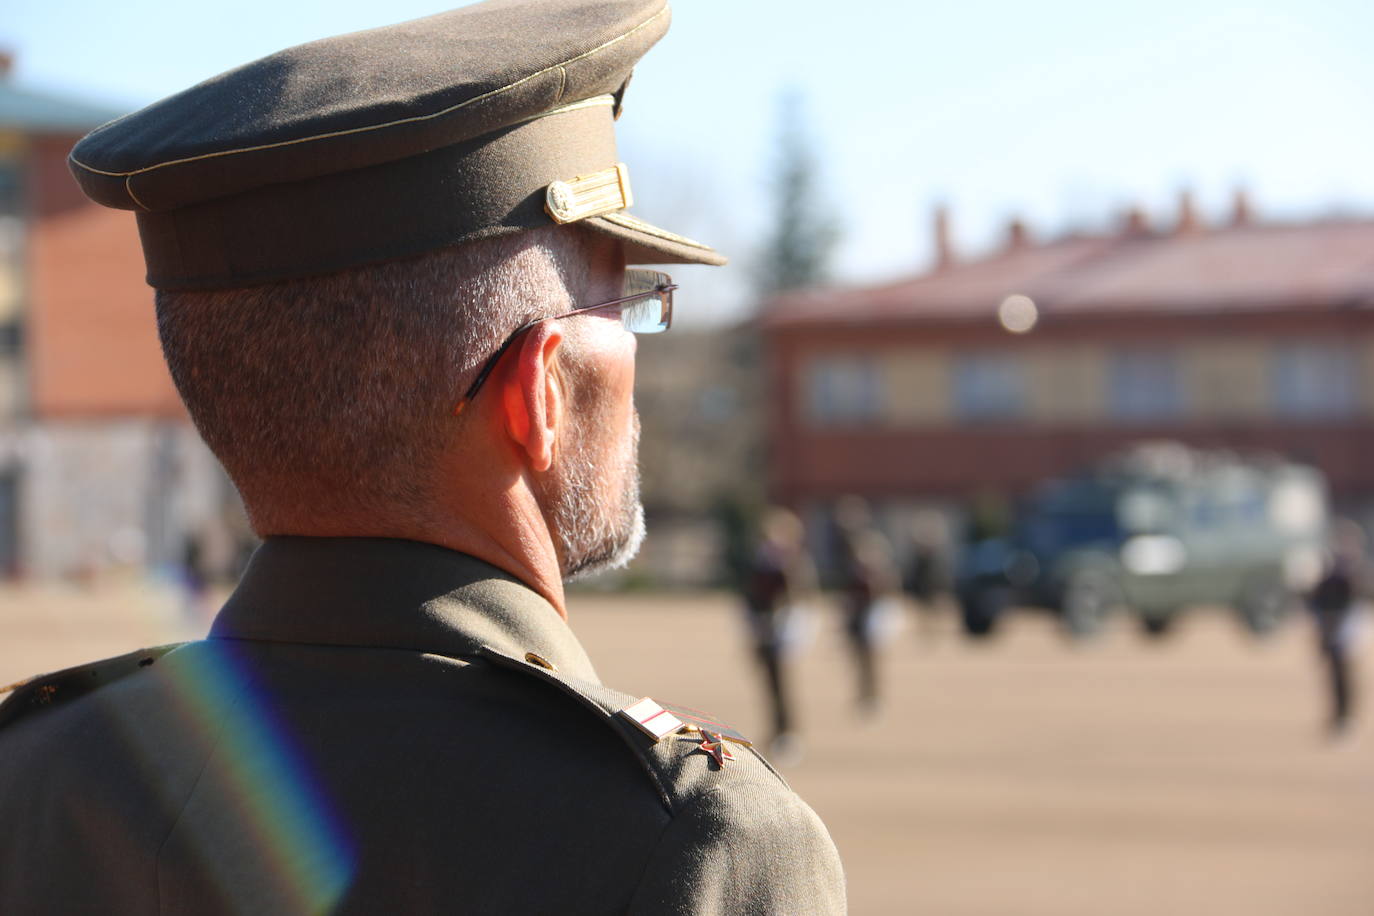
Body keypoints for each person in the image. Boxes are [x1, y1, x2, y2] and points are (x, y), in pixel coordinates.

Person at [0, 2, 846, 913]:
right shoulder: (687, 841)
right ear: (541, 393)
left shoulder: (35, 774)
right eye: (627, 307)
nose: (642, 357)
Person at [741, 506, 816, 762]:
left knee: (783, 684)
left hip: (783, 629)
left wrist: (785, 622)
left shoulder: (791, 563)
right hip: (762, 629)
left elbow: (798, 596)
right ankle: (774, 731)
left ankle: (788, 732)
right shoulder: (760, 561)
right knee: (768, 683)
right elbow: (750, 595)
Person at [832, 495, 899, 716]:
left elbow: (885, 577)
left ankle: (874, 695)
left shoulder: (872, 543)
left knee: (872, 654)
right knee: (856, 654)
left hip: (871, 607)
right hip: (855, 608)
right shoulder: (844, 548)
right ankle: (862, 693)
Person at [1309, 518, 1367, 739]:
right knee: (1333, 674)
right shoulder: (1328, 572)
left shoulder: (1354, 573)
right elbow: (1317, 600)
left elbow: (1355, 602)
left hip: (1345, 629)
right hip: (1330, 626)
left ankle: (1346, 717)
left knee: (1345, 675)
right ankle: (1337, 716)